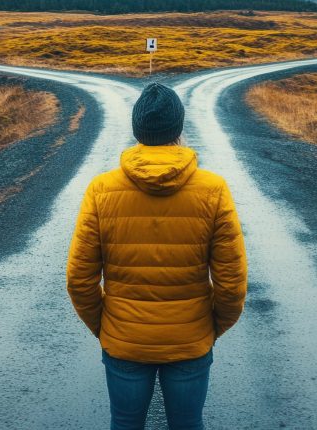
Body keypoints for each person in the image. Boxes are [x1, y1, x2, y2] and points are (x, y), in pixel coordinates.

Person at [67, 82, 247, 430]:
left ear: (138, 130)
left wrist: (107, 328)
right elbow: (232, 282)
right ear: (179, 128)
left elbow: (79, 279)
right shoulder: (213, 189)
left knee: (125, 423)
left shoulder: (101, 190)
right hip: (190, 339)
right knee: (188, 424)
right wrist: (209, 329)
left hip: (124, 342)